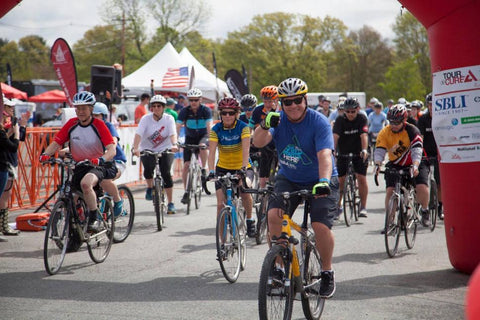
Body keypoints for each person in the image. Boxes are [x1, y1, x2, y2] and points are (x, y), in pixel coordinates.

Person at [252, 77, 339, 299]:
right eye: (287, 102)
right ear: (281, 103)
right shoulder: (278, 120)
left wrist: (324, 182)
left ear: (305, 99)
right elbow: (257, 142)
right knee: (273, 215)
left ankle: (327, 272)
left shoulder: (318, 122)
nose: (293, 106)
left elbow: (325, 155)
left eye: (297, 100)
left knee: (319, 225)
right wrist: (264, 124)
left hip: (320, 177)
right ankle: (280, 268)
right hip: (289, 177)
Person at [40, 91, 117, 233]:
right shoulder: (71, 124)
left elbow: (112, 150)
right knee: (69, 194)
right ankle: (76, 230)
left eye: (84, 108)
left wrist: (100, 159)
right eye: (78, 108)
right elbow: (57, 142)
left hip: (96, 165)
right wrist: (45, 154)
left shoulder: (99, 125)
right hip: (78, 165)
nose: (80, 111)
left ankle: (93, 218)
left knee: (85, 184)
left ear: (91, 109)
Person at [374, 104, 431, 229]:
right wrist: (377, 165)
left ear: (404, 120)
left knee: (421, 186)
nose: (393, 125)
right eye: (391, 122)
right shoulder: (385, 132)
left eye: (397, 122)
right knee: (390, 190)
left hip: (415, 161)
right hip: (396, 163)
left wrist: (415, 166)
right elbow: (379, 150)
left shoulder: (412, 130)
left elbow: (417, 151)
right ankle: (389, 220)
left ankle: (425, 211)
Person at [207, 97, 256, 237]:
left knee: (244, 190)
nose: (227, 116)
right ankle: (222, 244)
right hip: (223, 168)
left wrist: (243, 169)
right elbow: (211, 153)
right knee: (220, 205)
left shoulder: (243, 127)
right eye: (224, 113)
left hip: (243, 166)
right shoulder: (216, 129)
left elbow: (246, 150)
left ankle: (249, 220)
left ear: (236, 114)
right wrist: (211, 171)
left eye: (230, 112)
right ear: (220, 114)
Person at [133, 95, 178, 214]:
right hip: (148, 148)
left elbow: (173, 134)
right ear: (151, 107)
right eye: (154, 106)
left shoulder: (169, 119)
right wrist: (135, 148)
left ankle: (170, 203)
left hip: (166, 148)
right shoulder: (145, 119)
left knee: (166, 173)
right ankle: (149, 187)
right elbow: (138, 134)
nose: (156, 108)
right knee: (148, 169)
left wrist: (174, 144)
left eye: (159, 106)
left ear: (163, 107)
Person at [333, 97, 370, 218]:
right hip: (343, 151)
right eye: (347, 111)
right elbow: (335, 137)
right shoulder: (339, 120)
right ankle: (338, 206)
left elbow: (364, 135)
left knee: (361, 177)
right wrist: (332, 151)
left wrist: (364, 150)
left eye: (353, 111)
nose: (350, 114)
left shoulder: (362, 118)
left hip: (359, 152)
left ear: (358, 109)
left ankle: (363, 206)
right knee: (341, 180)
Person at [177, 88, 212, 203]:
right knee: (186, 165)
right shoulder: (184, 111)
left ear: (200, 100)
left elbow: (209, 127)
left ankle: (203, 168)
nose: (193, 102)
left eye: (196, 100)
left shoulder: (206, 110)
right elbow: (177, 127)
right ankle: (186, 191)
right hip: (190, 137)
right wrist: (175, 141)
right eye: (191, 100)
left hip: (203, 135)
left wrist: (211, 141)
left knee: (202, 145)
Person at [92, 102, 127, 217]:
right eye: (92, 115)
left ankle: (118, 201)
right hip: (97, 162)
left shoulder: (108, 126)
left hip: (116, 161)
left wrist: (108, 152)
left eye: (97, 115)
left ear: (104, 116)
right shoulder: (89, 127)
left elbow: (113, 141)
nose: (94, 118)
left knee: (104, 180)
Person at [417, 93, 443, 219]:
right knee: (424, 182)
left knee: (439, 183)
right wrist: (420, 152)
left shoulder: (443, 117)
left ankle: (440, 207)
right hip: (426, 154)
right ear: (428, 105)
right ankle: (424, 207)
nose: (432, 107)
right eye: (430, 105)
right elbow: (420, 138)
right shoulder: (423, 119)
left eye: (435, 104)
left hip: (440, 154)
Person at [0, 97, 22, 236]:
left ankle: (3, 226)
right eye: (8, 108)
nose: (10, 113)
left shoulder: (5, 128)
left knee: (4, 197)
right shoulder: (2, 129)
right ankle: (3, 227)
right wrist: (17, 133)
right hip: (3, 165)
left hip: (7, 164)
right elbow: (12, 146)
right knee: (3, 197)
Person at [250, 85, 279, 189]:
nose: (267, 104)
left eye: (270, 101)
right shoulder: (258, 110)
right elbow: (251, 128)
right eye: (265, 101)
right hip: (264, 142)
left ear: (276, 100)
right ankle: (262, 188)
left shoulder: (282, 110)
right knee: (264, 168)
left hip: (278, 141)